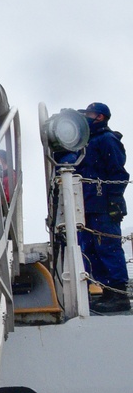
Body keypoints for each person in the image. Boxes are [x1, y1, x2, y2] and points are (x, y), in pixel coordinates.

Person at [69, 103, 130, 313]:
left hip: (104, 205)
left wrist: (114, 201)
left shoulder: (107, 140)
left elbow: (118, 173)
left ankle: (119, 295)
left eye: (90, 114)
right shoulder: (86, 142)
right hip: (89, 205)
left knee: (109, 248)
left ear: (100, 117)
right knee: (92, 250)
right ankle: (106, 292)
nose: (86, 117)